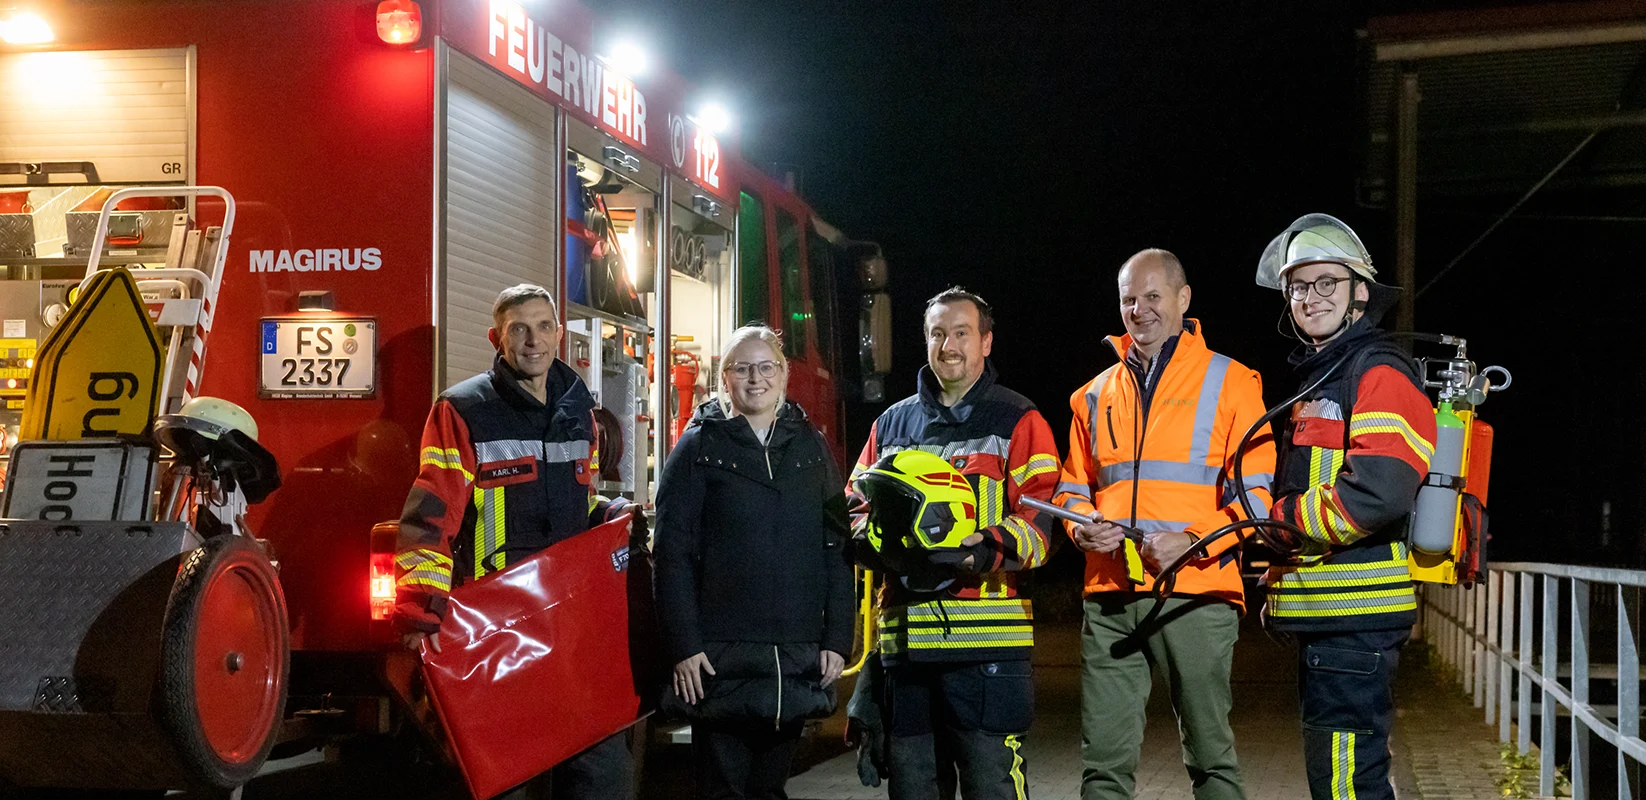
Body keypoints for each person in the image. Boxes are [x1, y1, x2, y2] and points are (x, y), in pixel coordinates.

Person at [393, 284, 643, 800]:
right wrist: (421, 612)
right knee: (509, 779)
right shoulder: (462, 411)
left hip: (570, 627)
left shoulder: (579, 409)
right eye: (518, 330)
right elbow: (431, 515)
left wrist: (614, 516)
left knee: (602, 777)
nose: (533, 341)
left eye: (543, 326)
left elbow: (582, 502)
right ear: (496, 339)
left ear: (559, 333)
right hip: (499, 631)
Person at [1053, 249, 1274, 800]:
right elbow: (1071, 490)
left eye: (1152, 296)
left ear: (1183, 299)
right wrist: (1081, 530)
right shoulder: (1092, 394)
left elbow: (1257, 501)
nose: (1139, 309)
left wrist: (1194, 542)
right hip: (1109, 594)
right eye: (1129, 298)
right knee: (1102, 768)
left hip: (1196, 594)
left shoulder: (1233, 381)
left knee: (1210, 759)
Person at [848, 287, 1060, 800]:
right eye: (937, 334)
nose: (948, 345)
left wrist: (978, 550)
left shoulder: (1019, 420)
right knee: (915, 790)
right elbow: (854, 506)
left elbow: (1038, 525)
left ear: (986, 342)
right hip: (907, 651)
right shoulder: (890, 425)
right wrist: (877, 543)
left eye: (961, 333)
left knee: (993, 789)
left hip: (987, 651)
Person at [1255, 215, 1437, 800]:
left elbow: (1379, 491)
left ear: (1361, 291)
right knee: (1339, 779)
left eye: (1326, 283)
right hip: (1330, 615)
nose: (1310, 298)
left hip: (1354, 620)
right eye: (1299, 287)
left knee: (1344, 786)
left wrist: (1282, 526)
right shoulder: (1325, 378)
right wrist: (1284, 584)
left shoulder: (1378, 371)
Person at [652, 324, 855, 800]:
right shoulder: (697, 449)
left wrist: (837, 639)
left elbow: (836, 547)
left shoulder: (813, 449)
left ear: (784, 375)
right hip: (719, 659)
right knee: (722, 791)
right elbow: (671, 554)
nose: (755, 378)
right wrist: (684, 645)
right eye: (743, 368)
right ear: (724, 379)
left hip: (793, 659)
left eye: (767, 367)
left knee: (770, 790)